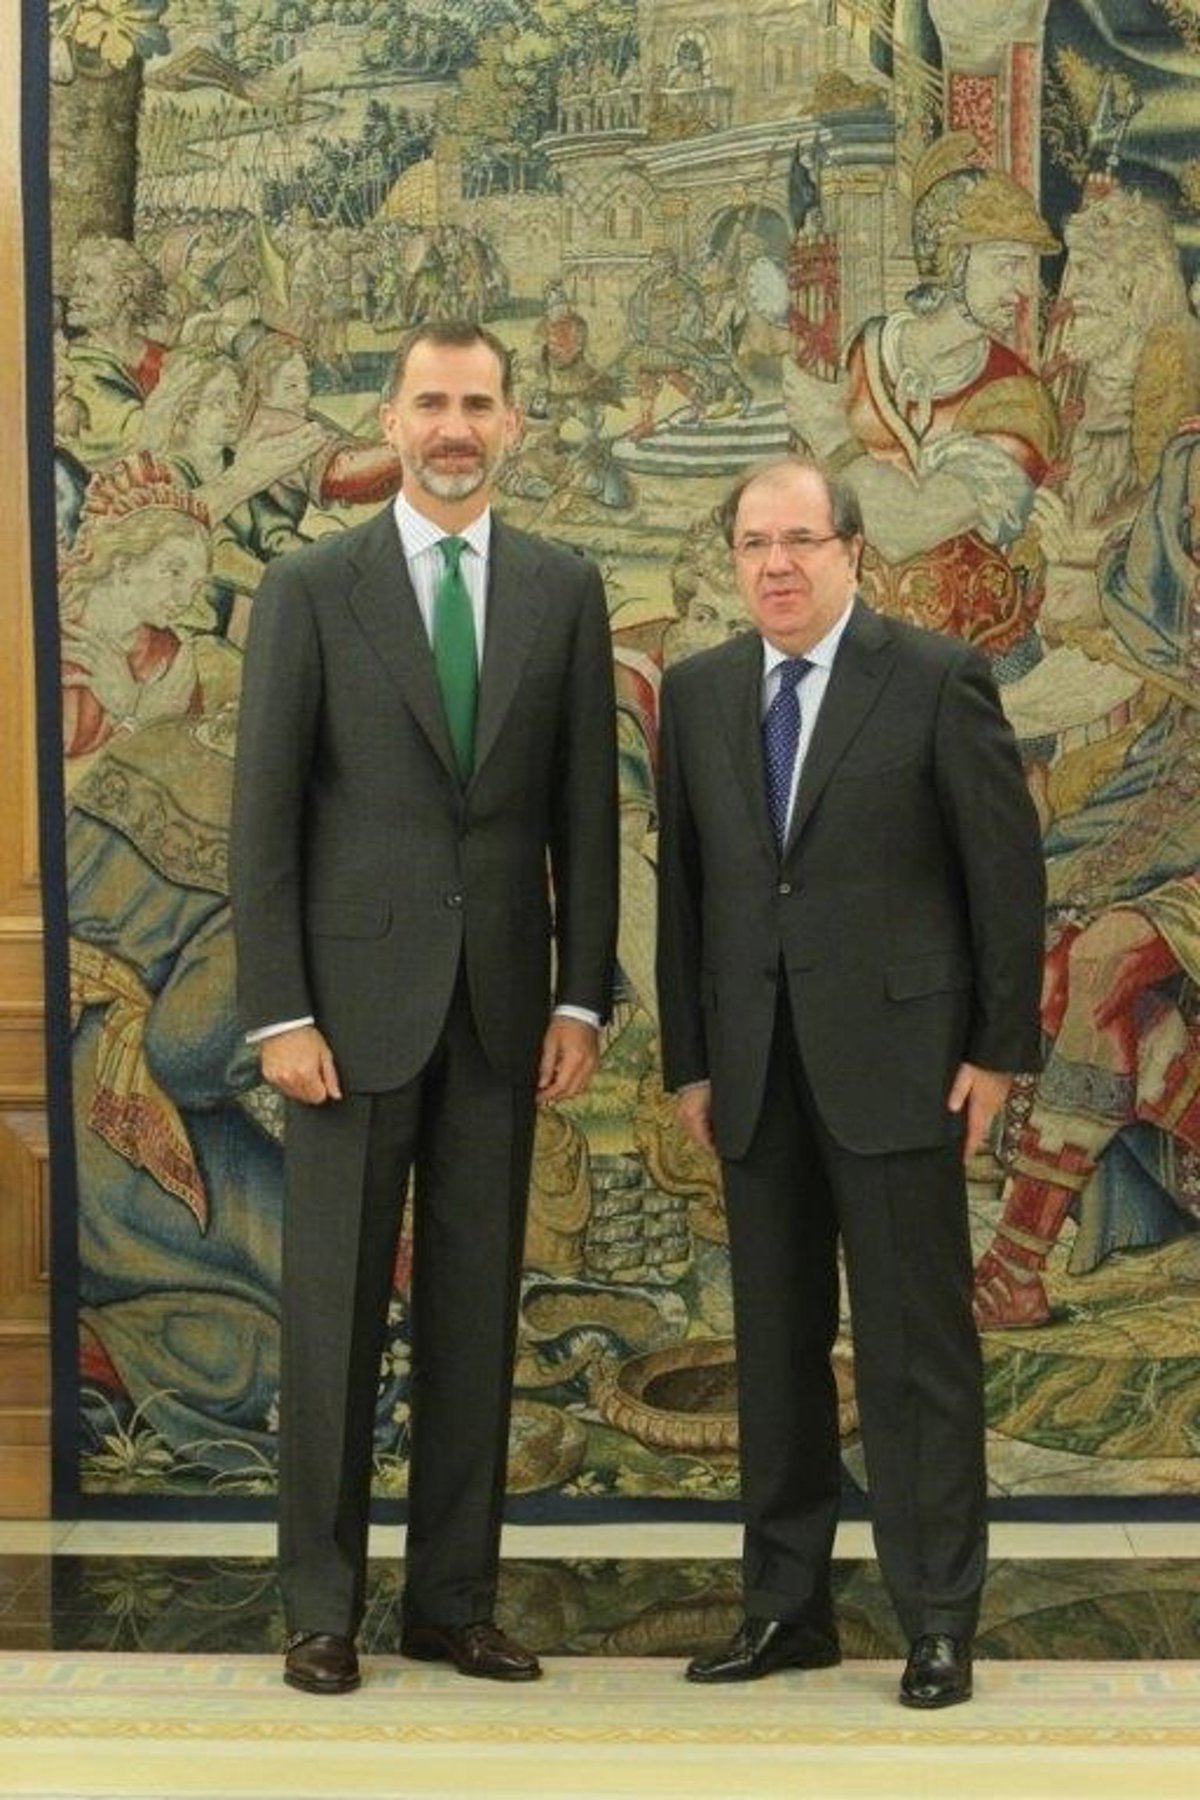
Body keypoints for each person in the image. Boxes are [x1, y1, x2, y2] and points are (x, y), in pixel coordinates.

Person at [230, 321, 619, 1695]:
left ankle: (452, 1603)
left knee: (474, 1314)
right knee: (334, 1317)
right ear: (390, 421)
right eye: (432, 402)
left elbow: (586, 814)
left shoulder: (565, 589)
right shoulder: (310, 589)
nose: (456, 427)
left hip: (502, 1014)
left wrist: (582, 999)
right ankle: (320, 1611)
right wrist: (279, 1011)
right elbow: (265, 819)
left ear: (513, 424)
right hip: (343, 1021)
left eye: (479, 404)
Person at [654, 456, 1045, 1708]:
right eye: (754, 544)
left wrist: (997, 1051)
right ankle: (786, 1609)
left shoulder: (934, 678)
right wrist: (691, 1061)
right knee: (775, 1354)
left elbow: (1005, 878)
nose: (776, 564)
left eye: (800, 541)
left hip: (903, 1069)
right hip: (753, 1074)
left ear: (852, 551)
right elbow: (686, 897)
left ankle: (938, 1619)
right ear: (734, 561)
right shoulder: (698, 694)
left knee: (915, 1354)